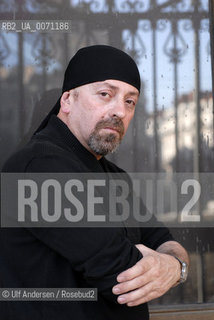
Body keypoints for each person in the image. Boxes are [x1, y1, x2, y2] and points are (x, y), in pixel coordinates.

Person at [1, 45, 189, 320]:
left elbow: (163, 239)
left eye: (130, 101)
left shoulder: (115, 176)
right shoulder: (39, 168)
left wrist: (175, 266)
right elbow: (121, 276)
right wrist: (170, 264)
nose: (120, 112)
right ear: (67, 101)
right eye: (105, 94)